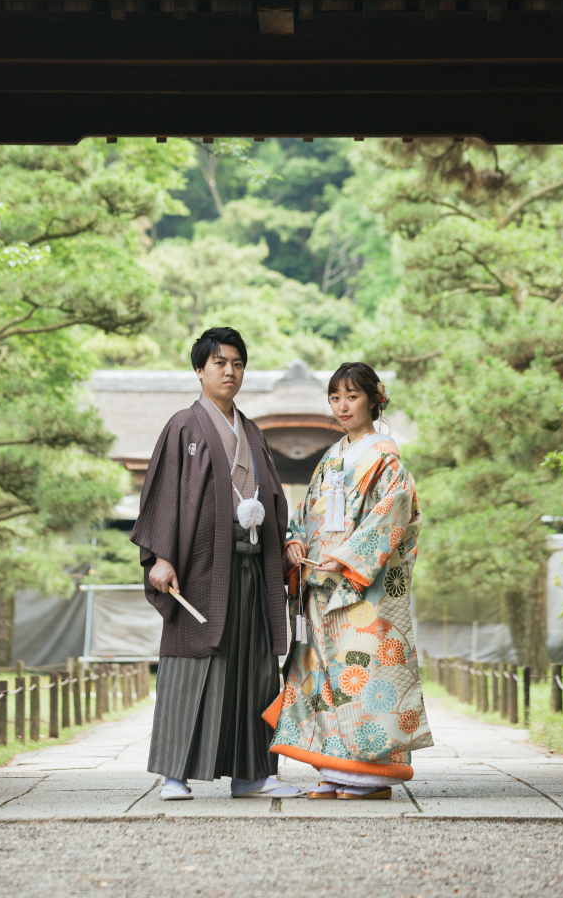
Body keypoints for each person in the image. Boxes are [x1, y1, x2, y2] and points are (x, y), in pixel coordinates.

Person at [130, 326, 302, 800]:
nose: (230, 371)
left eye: (238, 363)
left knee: (256, 669)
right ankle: (173, 774)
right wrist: (162, 557)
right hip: (202, 566)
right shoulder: (184, 425)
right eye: (220, 362)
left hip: (252, 566)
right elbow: (165, 493)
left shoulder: (251, 430)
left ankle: (253, 775)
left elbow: (272, 498)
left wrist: (283, 542)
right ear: (200, 370)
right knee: (193, 662)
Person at [266, 361, 433, 798]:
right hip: (320, 585)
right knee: (325, 679)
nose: (342, 406)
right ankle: (337, 769)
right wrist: (295, 542)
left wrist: (346, 558)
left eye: (352, 396)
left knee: (365, 674)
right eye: (335, 397)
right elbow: (304, 514)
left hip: (363, 586)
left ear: (374, 399)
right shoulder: (331, 458)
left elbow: (391, 517)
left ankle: (373, 777)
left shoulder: (386, 459)